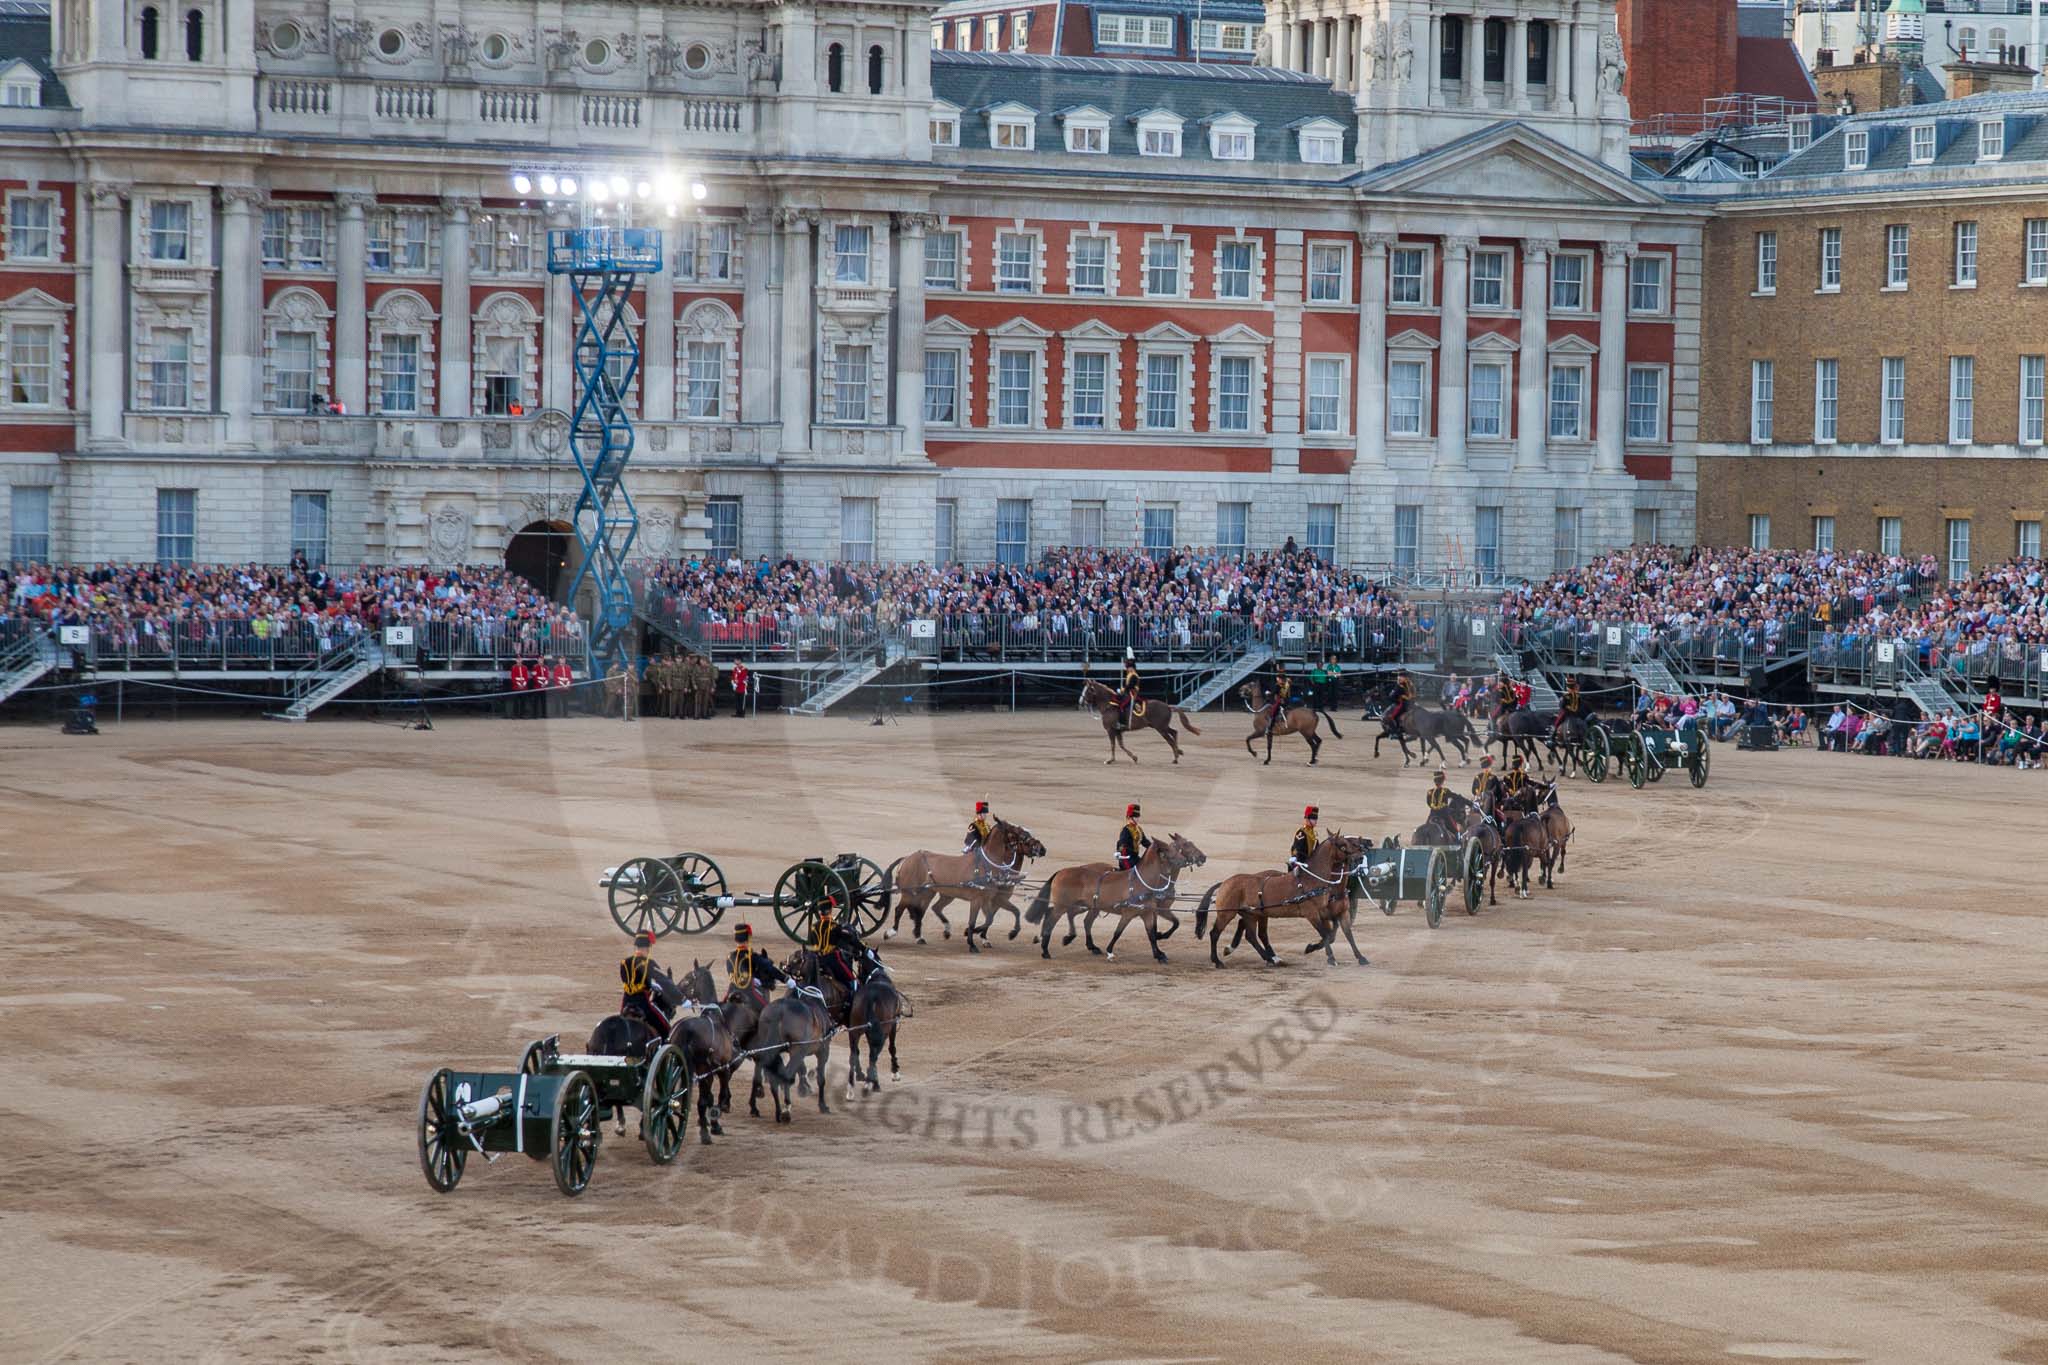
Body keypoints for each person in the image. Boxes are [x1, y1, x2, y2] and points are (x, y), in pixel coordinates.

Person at [619, 930, 672, 1043]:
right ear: (647, 948)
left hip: (626, 1003)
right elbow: (664, 982)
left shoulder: (624, 962)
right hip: (643, 1004)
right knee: (665, 1028)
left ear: (636, 947)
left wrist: (649, 984)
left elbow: (629, 981)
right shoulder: (648, 963)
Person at [724, 922, 787, 1008]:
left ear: (736, 939)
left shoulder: (729, 957)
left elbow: (732, 974)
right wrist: (786, 979)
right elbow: (769, 968)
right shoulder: (751, 956)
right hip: (750, 990)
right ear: (748, 939)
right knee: (768, 1012)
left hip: (733, 989)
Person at [1115, 802, 1150, 870]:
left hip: (1135, 858)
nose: (1137, 819)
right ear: (1130, 817)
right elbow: (1121, 843)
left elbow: (1145, 842)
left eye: (1138, 817)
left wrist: (1155, 847)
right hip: (1126, 858)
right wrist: (1120, 854)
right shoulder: (1126, 830)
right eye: (1135, 817)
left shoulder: (1138, 829)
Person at [1386, 668, 1415, 738]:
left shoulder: (1400, 685)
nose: (1398, 678)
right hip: (1412, 703)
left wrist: (1396, 699)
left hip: (1404, 704)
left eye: (1400, 676)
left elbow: (1392, 696)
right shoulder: (1411, 683)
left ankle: (1396, 733)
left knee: (1391, 717)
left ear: (1404, 677)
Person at [1117, 650, 1142, 730]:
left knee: (1122, 706)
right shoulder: (1130, 675)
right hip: (1128, 692)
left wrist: (1123, 689)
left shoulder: (1134, 675)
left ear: (1132, 668)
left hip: (1132, 693)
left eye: (1129, 668)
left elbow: (1130, 686)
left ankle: (1123, 723)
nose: (1127, 669)